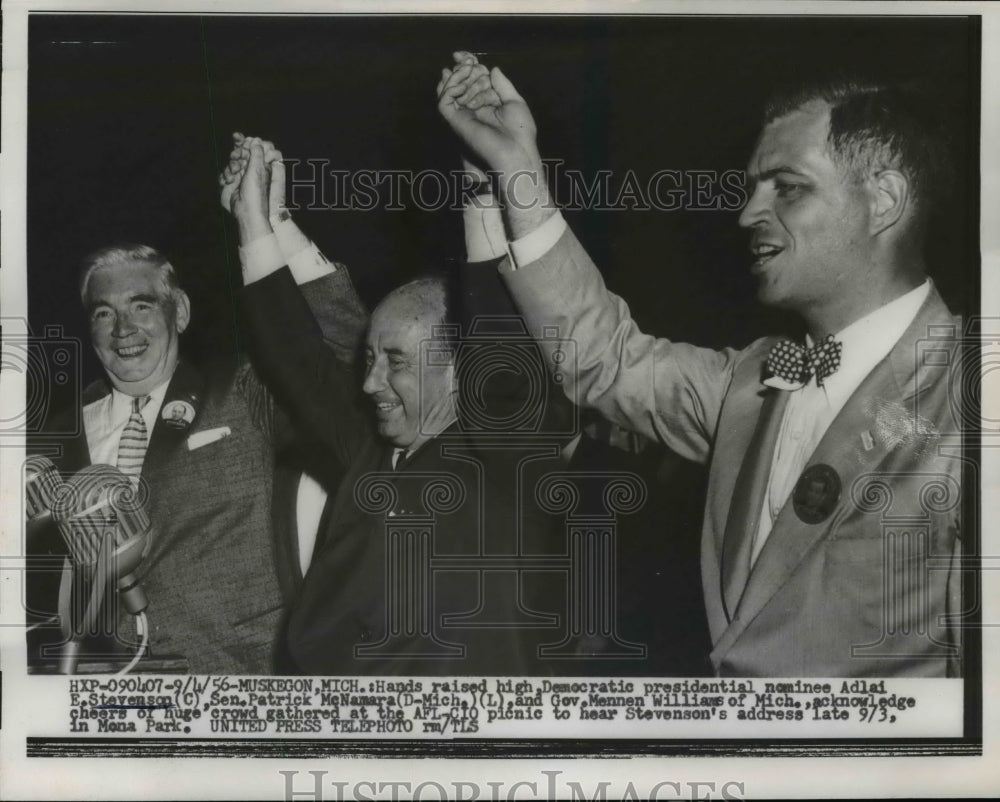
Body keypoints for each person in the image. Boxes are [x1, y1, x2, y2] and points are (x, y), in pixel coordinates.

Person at [437, 52, 964, 677]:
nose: (747, 215)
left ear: (884, 199)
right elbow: (603, 357)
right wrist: (518, 167)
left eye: (788, 188)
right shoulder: (750, 379)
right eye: (753, 188)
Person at [25, 140, 367, 674]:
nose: (124, 330)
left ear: (179, 311)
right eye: (103, 314)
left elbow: (344, 352)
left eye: (142, 306)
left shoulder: (244, 391)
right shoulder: (48, 440)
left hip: (246, 681)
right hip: (116, 698)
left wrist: (270, 223)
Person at [231, 137, 566, 675]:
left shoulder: (510, 454)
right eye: (369, 359)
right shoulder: (370, 450)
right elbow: (297, 362)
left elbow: (494, 340)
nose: (369, 383)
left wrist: (482, 193)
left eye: (397, 361)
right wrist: (255, 219)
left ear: (464, 368)